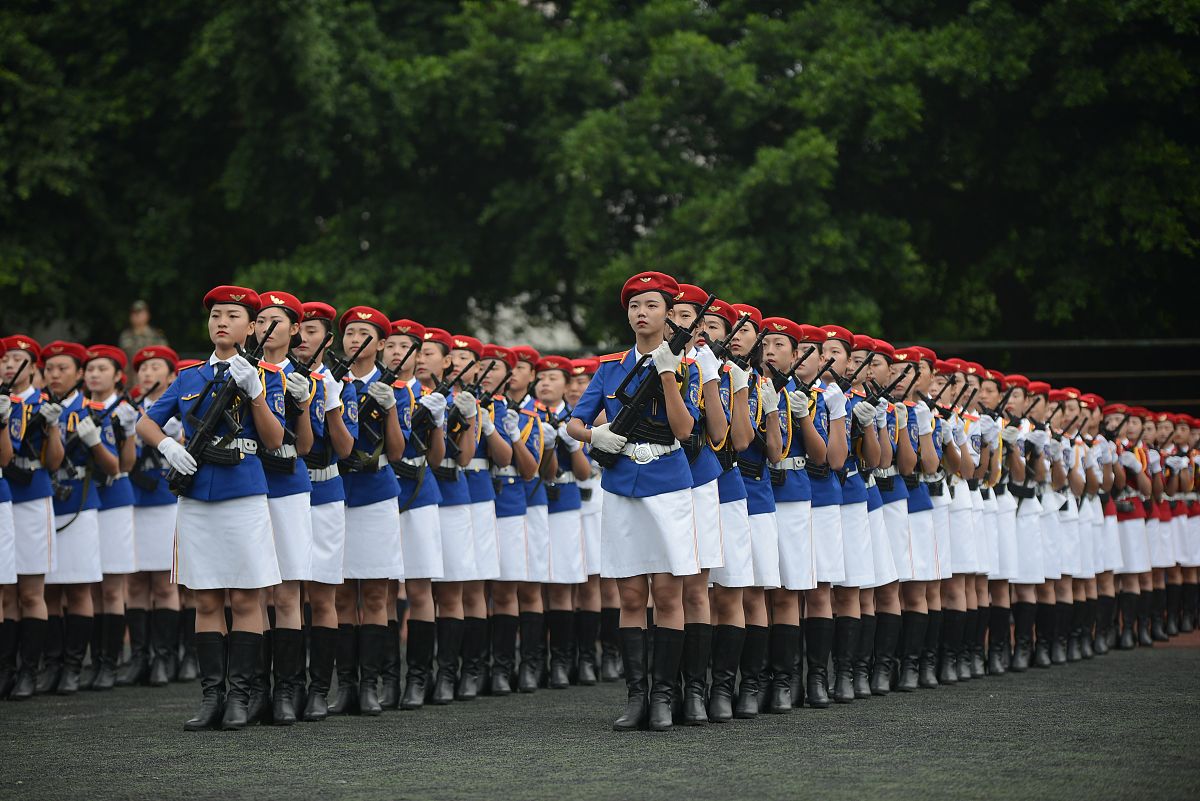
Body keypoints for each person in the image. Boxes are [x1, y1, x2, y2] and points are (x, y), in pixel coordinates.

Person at [136, 286, 286, 730]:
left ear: (252, 327)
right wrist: (167, 446)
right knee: (205, 598)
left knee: (244, 596)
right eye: (216, 314)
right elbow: (147, 422)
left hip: (243, 493)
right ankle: (211, 698)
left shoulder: (266, 377)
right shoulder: (189, 377)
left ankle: (240, 697)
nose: (221, 321)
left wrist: (255, 392)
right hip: (197, 495)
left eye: (233, 315)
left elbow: (275, 440)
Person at [567, 271, 702, 732]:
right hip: (622, 482)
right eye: (635, 306)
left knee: (666, 593)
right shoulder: (610, 366)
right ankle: (636, 697)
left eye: (651, 305)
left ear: (669, 314)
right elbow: (575, 422)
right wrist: (594, 435)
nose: (641, 313)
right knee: (629, 594)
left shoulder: (686, 366)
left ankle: (664, 697)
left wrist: (667, 373)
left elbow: (685, 429)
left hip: (668, 481)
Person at [331, 305, 406, 716]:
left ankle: (370, 686)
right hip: (338, 491)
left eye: (364, 334)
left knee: (376, 593)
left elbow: (396, 452)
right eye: (349, 333)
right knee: (342, 593)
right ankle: (346, 685)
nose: (355, 340)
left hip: (376, 492)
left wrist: (390, 408)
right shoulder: (329, 381)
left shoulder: (394, 387)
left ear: (380, 344)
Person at [255, 290, 318, 725]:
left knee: (287, 590)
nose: (266, 328)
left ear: (295, 329)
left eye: (275, 321)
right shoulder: (242, 370)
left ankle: (289, 689)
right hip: (249, 484)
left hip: (289, 485)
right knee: (254, 588)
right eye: (260, 321)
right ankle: (256, 688)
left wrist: (305, 405)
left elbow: (307, 446)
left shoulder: (303, 376)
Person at [293, 301, 357, 721]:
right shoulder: (272, 376)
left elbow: (346, 447)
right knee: (283, 592)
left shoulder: (338, 383)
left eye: (313, 331)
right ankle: (288, 686)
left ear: (328, 340)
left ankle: (318, 689)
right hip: (285, 488)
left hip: (326, 487)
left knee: (322, 592)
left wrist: (331, 400)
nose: (303, 338)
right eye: (299, 330)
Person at [38, 341, 103, 695]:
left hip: (79, 500)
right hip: (46, 501)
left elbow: (111, 464)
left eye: (63, 368)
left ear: (79, 373)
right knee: (47, 588)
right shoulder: (37, 408)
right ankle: (53, 663)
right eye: (49, 368)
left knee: (78, 586)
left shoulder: (90, 410)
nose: (55, 374)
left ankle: (74, 666)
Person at [3, 334, 65, 700]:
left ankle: (29, 670)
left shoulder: (43, 404)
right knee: (5, 591)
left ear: (33, 368)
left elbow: (54, 462)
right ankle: (6, 668)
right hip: (4, 494)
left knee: (30, 590)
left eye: (17, 360)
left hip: (31, 496)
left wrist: (53, 426)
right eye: (5, 359)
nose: (10, 365)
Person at [126, 346, 183, 687]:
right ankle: (139, 656)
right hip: (135, 499)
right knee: (135, 582)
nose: (147, 373)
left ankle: (165, 656)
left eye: (155, 367)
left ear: (172, 375)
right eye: (143, 368)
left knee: (163, 582)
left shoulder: (179, 408)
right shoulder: (129, 409)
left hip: (165, 499)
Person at [533, 355, 590, 689]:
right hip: (534, 500)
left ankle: (562, 661)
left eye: (553, 378)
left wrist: (570, 444)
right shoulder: (527, 414)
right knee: (535, 581)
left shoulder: (576, 418)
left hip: (566, 499)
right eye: (541, 378)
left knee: (562, 582)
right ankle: (536, 659)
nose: (545, 384)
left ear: (567, 386)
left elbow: (583, 473)